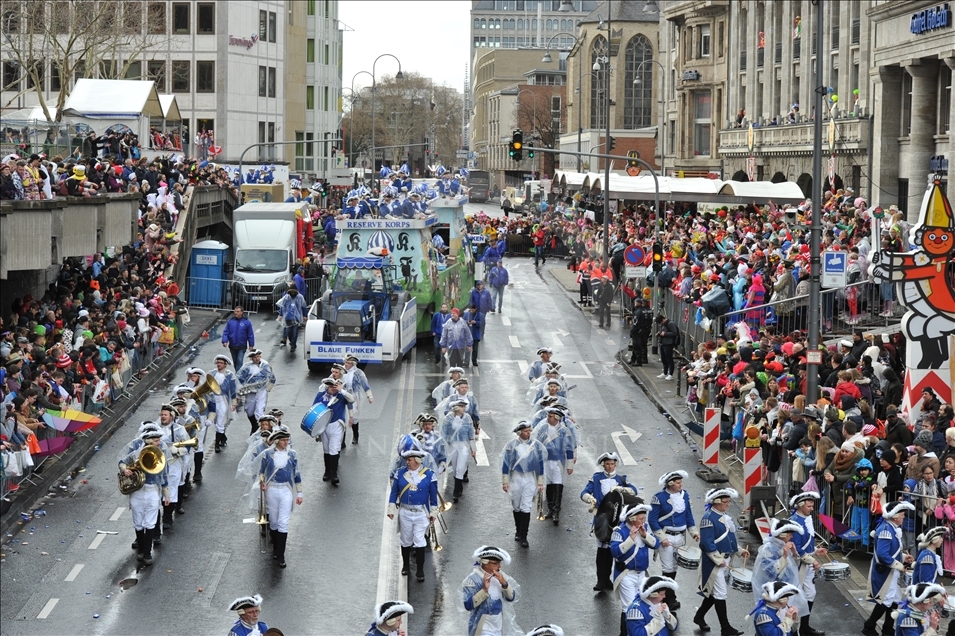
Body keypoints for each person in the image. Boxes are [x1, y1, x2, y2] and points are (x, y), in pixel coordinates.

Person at [693, 487, 749, 636]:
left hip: (725, 560)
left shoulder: (724, 517)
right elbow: (706, 544)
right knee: (721, 594)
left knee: (714, 593)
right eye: (725, 502)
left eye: (728, 501)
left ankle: (699, 616)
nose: (728, 504)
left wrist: (740, 550)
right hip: (714, 563)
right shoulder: (708, 519)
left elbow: (729, 540)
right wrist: (718, 560)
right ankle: (725, 628)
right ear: (716, 502)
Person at [581, 452, 638, 592]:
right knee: (601, 549)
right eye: (607, 464)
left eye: (612, 464)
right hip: (601, 517)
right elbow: (583, 493)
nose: (610, 467)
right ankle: (600, 580)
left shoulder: (621, 479)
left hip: (616, 519)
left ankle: (608, 579)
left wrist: (622, 489)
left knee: (612, 549)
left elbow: (634, 491)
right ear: (603, 465)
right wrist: (590, 499)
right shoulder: (596, 478)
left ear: (615, 464)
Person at [863, 500, 917, 636]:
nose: (904, 517)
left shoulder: (891, 528)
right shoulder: (886, 530)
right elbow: (882, 555)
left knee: (893, 600)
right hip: (885, 572)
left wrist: (904, 557)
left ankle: (887, 629)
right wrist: (900, 566)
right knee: (885, 601)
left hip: (890, 571)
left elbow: (892, 551)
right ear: (894, 516)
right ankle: (869, 626)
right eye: (902, 514)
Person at [118, 424, 169, 565]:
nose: (159, 443)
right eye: (156, 440)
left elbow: (165, 475)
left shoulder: (160, 453)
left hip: (152, 490)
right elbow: (122, 461)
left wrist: (167, 494)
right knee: (138, 522)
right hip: (137, 491)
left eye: (158, 440)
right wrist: (125, 470)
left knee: (150, 522)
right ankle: (141, 549)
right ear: (148, 440)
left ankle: (147, 552)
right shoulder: (136, 450)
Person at [648, 470, 699, 611]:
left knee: (674, 568)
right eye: (678, 482)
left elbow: (689, 515)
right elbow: (652, 520)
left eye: (681, 482)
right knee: (668, 568)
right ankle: (670, 598)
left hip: (680, 536)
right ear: (670, 483)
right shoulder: (659, 498)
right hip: (667, 537)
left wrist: (693, 532)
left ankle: (665, 594)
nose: (680, 484)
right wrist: (662, 538)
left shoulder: (685, 495)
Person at [388, 448, 438, 582]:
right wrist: (391, 509)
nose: (407, 462)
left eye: (409, 460)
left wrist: (434, 512)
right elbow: (394, 493)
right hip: (405, 511)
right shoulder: (400, 473)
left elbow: (433, 497)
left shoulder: (429, 475)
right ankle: (405, 565)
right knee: (405, 540)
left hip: (421, 513)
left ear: (417, 460)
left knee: (419, 540)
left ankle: (420, 570)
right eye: (406, 460)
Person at [611, 504, 661, 635]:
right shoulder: (619, 531)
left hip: (642, 574)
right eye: (640, 518)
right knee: (628, 607)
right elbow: (615, 552)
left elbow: (656, 544)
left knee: (640, 603)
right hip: (626, 574)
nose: (643, 521)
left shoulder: (645, 528)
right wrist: (630, 539)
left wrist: (645, 535)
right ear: (632, 518)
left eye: (644, 518)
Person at [257, 426, 302, 568]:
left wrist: (299, 493)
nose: (286, 442)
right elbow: (261, 472)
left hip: (286, 490)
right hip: (271, 490)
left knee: (283, 522)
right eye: (283, 440)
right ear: (276, 441)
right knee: (274, 522)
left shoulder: (293, 454)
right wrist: (262, 483)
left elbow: (297, 474)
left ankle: (281, 555)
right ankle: (276, 549)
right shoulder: (267, 454)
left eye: (287, 439)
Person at [751, 518, 810, 620]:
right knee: (780, 622)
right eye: (790, 534)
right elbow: (771, 571)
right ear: (782, 534)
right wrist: (784, 556)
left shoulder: (783, 545)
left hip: (787, 590)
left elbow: (792, 567)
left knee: (791, 621)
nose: (791, 536)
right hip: (777, 593)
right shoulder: (768, 548)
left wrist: (794, 553)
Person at [500, 421, 546, 548]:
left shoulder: (536, 445)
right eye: (526, 431)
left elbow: (540, 464)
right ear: (519, 432)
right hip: (516, 477)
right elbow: (506, 464)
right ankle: (518, 530)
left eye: (530, 431)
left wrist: (540, 482)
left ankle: (524, 536)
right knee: (516, 506)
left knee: (526, 506)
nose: (529, 433)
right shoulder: (511, 445)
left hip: (530, 478)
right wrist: (505, 481)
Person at [789, 492, 828, 636]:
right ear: (800, 506)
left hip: (807, 563)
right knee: (794, 596)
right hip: (798, 565)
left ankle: (804, 627)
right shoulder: (795, 522)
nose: (812, 508)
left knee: (810, 594)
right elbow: (797, 549)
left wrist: (816, 550)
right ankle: (792, 628)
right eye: (809, 506)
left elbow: (807, 544)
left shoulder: (806, 518)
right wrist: (813, 560)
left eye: (812, 505)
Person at [461, 546, 519, 636]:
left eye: (499, 563)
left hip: (499, 625)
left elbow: (511, 598)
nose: (499, 566)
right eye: (495, 563)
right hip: (483, 627)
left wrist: (504, 584)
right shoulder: (473, 579)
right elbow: (468, 605)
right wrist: (484, 590)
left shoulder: (500, 576)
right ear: (485, 563)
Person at [533, 407, 576, 525]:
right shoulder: (543, 428)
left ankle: (557, 511)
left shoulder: (564, 430)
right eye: (548, 415)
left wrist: (570, 465)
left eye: (551, 416)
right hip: (545, 461)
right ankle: (551, 509)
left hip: (558, 462)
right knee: (549, 484)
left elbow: (569, 448)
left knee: (558, 484)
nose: (548, 418)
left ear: (557, 417)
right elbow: (536, 444)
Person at [311, 377, 354, 485]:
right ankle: (327, 471)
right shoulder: (320, 395)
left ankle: (334, 474)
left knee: (334, 448)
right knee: (326, 449)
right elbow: (313, 409)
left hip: (336, 425)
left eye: (334, 386)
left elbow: (351, 400)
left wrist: (341, 390)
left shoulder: (341, 395)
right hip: (324, 426)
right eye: (330, 386)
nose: (332, 388)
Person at [157, 403, 190, 529]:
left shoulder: (179, 429)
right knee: (159, 491)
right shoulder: (156, 429)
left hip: (173, 464)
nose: (163, 417)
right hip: (159, 465)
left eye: (165, 415)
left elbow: (187, 446)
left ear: (171, 416)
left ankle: (167, 517)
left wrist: (176, 450)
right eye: (161, 415)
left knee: (170, 491)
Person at [442, 398, 476, 503]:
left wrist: (473, 448)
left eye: (464, 406)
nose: (464, 408)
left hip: (463, 445)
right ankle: (459, 486)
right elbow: (443, 433)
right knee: (456, 467)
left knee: (460, 468)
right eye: (462, 407)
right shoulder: (448, 418)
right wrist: (443, 447)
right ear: (456, 408)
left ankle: (456, 492)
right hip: (452, 445)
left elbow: (471, 433)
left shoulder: (467, 418)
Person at [237, 350, 276, 435]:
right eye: (254, 357)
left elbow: (272, 378)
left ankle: (261, 431)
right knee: (249, 410)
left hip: (261, 391)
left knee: (259, 412)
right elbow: (239, 377)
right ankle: (254, 426)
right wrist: (244, 386)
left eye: (258, 356)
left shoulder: (265, 365)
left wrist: (267, 389)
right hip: (250, 391)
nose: (257, 358)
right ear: (251, 358)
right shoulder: (246, 367)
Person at [211, 354, 239, 455]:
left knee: (220, 422)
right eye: (218, 362)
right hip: (213, 400)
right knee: (214, 421)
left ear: (225, 364)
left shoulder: (230, 375)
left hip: (223, 400)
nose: (219, 364)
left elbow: (233, 390)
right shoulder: (212, 373)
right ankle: (223, 437)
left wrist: (234, 403)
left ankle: (217, 444)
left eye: (221, 363)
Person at [343, 354, 374, 445]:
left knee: (354, 416)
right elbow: (331, 379)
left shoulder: (358, 373)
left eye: (348, 363)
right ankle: (342, 441)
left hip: (353, 397)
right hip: (342, 396)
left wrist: (370, 396)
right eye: (345, 362)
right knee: (342, 417)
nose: (346, 364)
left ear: (353, 364)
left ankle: (355, 436)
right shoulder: (341, 370)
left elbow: (365, 385)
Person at [845, 458, 875, 547]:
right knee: (854, 523)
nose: (863, 472)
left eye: (865, 470)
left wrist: (858, 485)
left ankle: (865, 543)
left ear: (869, 470)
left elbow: (866, 483)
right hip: (856, 504)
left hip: (866, 506)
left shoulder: (871, 477)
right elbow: (849, 483)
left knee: (865, 525)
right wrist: (850, 495)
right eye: (861, 470)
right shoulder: (856, 476)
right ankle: (852, 541)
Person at [276, 287, 306, 352]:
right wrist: (281, 315)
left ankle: (293, 345)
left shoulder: (300, 297)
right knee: (289, 332)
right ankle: (292, 342)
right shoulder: (286, 297)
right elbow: (282, 306)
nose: (292, 293)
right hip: (288, 317)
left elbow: (303, 306)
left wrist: (304, 315)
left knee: (295, 332)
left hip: (296, 318)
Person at [628, 298, 653, 366]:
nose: (634, 304)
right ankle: (636, 359)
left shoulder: (638, 312)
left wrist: (632, 331)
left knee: (636, 346)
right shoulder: (649, 310)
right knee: (643, 344)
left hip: (639, 331)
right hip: (646, 330)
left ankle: (638, 361)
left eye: (635, 303)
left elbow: (636, 323)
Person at [656, 315, 678, 380]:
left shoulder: (670, 323)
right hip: (663, 343)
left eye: (661, 322)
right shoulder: (664, 324)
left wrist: (665, 334)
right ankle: (665, 372)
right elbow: (662, 331)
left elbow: (674, 333)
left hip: (668, 343)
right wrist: (659, 333)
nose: (661, 324)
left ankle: (670, 374)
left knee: (669, 359)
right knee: (664, 359)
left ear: (663, 319)